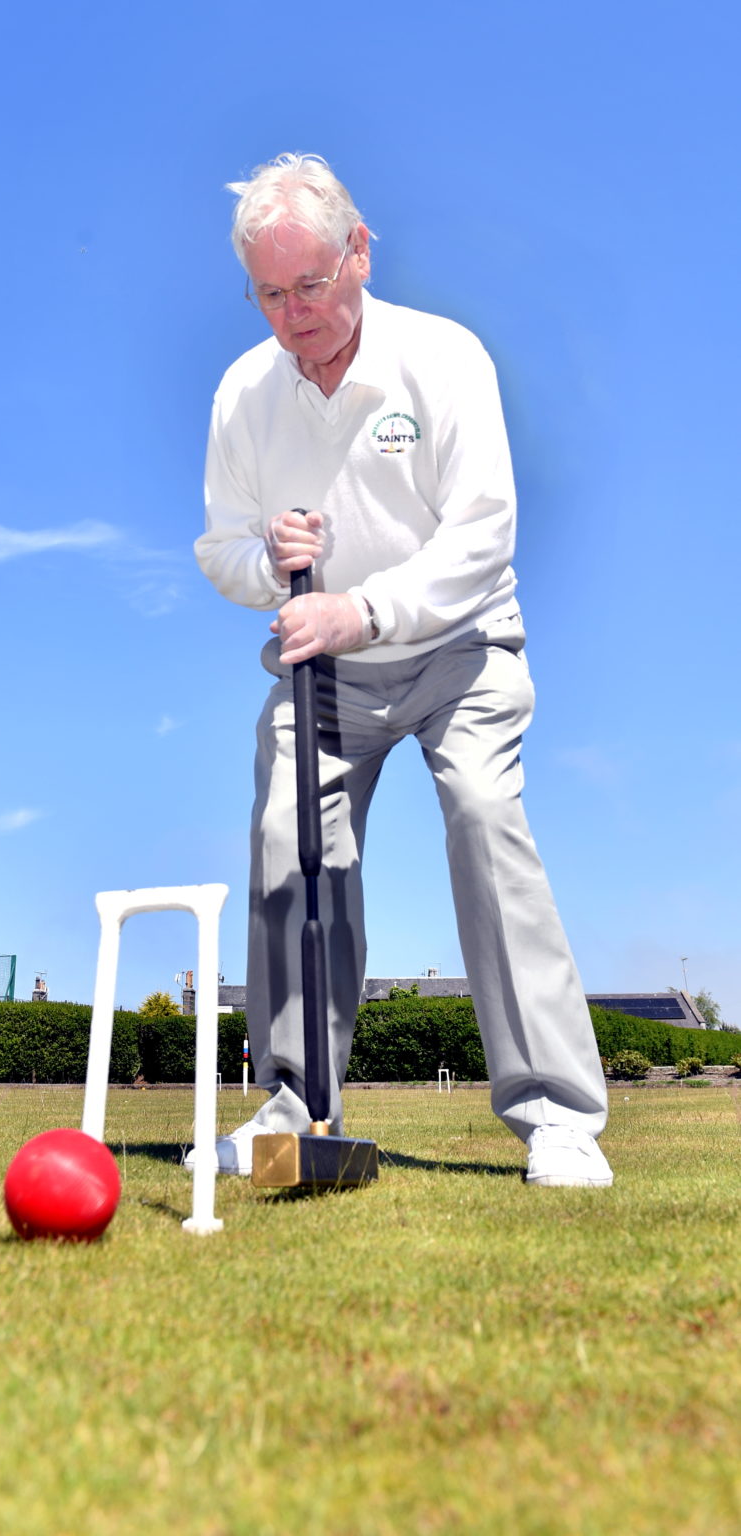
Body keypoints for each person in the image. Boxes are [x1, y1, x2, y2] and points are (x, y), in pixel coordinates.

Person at [193, 153, 611, 1187]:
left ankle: (557, 1115)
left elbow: (483, 535)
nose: (293, 317)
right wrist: (270, 560)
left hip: (459, 651)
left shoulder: (444, 358)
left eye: (312, 286)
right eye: (270, 294)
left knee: (481, 814)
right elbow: (219, 551)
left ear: (360, 253)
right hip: (322, 678)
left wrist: (361, 607)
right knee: (289, 849)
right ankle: (297, 1103)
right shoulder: (246, 392)